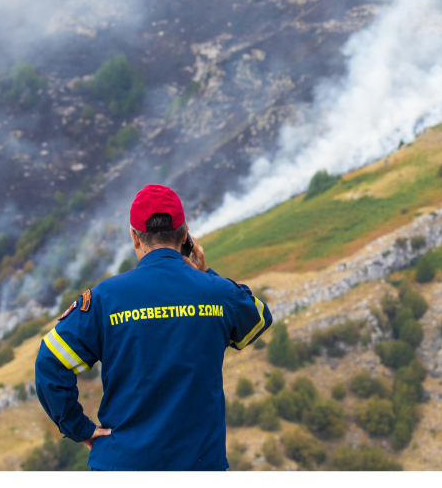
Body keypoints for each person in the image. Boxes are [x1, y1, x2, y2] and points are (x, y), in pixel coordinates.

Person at [35, 184, 272, 471]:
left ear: (135, 238)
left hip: (122, 465)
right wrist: (206, 273)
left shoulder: (103, 298)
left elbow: (50, 362)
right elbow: (258, 320)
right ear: (185, 235)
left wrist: (79, 428)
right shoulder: (218, 293)